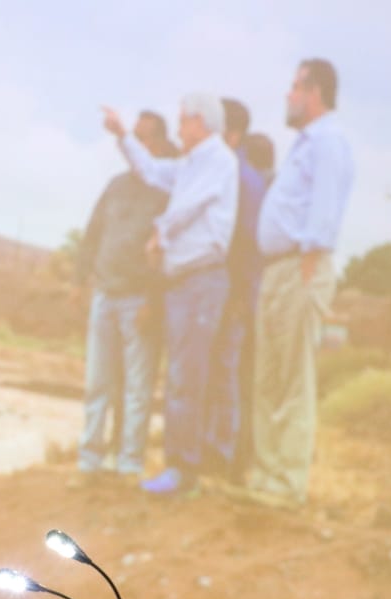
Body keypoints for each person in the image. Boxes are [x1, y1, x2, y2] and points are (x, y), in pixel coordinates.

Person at [101, 94, 238, 497]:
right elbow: (151, 170)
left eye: (183, 121)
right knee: (180, 375)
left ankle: (184, 471)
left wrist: (160, 231)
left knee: (186, 377)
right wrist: (123, 136)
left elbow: (191, 206)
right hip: (183, 281)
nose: (178, 129)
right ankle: (180, 466)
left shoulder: (218, 160)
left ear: (201, 122)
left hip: (201, 279)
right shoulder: (190, 164)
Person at [243, 58, 355, 508]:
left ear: (315, 92)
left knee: (292, 377)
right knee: (270, 376)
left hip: (300, 268)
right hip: (278, 268)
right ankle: (267, 475)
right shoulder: (304, 144)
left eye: (295, 87)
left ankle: (288, 483)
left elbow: (324, 211)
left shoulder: (328, 141)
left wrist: (306, 269)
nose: (288, 95)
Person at [73, 110, 177, 485]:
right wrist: (79, 280)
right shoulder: (116, 185)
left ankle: (130, 465)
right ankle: (89, 463)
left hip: (139, 300)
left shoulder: (168, 189)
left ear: (160, 143)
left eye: (144, 136)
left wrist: (153, 300)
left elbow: (166, 250)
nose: (137, 142)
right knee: (97, 383)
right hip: (105, 294)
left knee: (137, 388)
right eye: (135, 135)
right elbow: (93, 232)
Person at [202, 98, 270, 482]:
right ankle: (219, 451)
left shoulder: (243, 179)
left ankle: (225, 454)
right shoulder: (229, 171)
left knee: (227, 374)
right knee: (218, 373)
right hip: (223, 290)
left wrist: (240, 296)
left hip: (235, 294)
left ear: (232, 133)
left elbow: (247, 243)